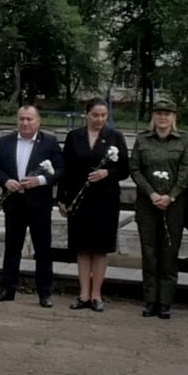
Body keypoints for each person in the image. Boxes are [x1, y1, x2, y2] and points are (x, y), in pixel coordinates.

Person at [0, 105, 63, 307]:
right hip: (14, 202)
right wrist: (6, 182)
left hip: (39, 202)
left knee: (42, 248)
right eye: (21, 119)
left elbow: (60, 169)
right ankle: (7, 289)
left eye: (29, 119)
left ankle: (45, 293)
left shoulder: (48, 142)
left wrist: (39, 180)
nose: (25, 123)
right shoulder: (5, 142)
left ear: (38, 121)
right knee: (12, 246)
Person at [58, 97, 127, 312]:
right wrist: (61, 197)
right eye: (95, 115)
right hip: (79, 199)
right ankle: (83, 293)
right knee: (82, 247)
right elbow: (65, 168)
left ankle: (96, 294)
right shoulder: (74, 137)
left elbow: (125, 169)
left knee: (100, 248)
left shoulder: (115, 137)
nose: (99, 119)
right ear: (86, 114)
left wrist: (107, 172)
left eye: (103, 116)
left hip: (104, 199)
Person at [130, 97, 188, 319]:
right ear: (153, 117)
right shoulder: (143, 139)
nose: (162, 117)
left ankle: (165, 301)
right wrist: (152, 193)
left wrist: (171, 196)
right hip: (147, 203)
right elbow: (135, 169)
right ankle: (150, 300)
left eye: (167, 113)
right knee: (149, 252)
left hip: (174, 206)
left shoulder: (184, 141)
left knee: (168, 252)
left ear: (174, 117)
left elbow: (186, 171)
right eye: (158, 113)